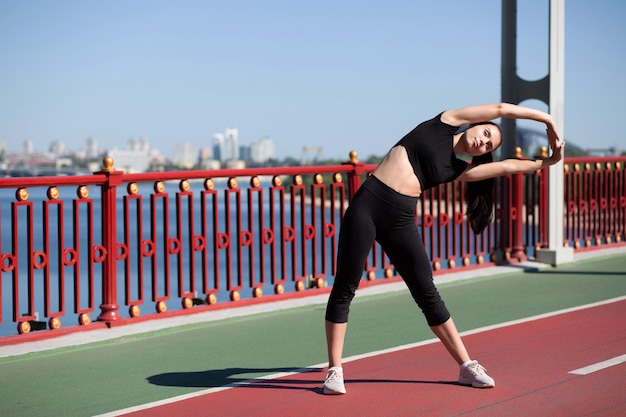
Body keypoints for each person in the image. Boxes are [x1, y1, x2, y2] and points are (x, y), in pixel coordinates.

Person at [322, 102, 565, 395]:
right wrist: (547, 118)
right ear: (475, 123)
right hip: (368, 205)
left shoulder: (459, 168)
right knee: (346, 286)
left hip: (401, 220)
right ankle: (335, 370)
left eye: (489, 143)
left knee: (428, 293)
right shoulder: (445, 122)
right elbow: (501, 108)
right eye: (486, 132)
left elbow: (507, 167)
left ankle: (466, 366)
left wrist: (550, 162)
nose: (483, 141)